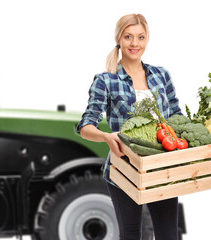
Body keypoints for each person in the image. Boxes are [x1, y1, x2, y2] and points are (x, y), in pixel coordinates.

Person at [77, 13, 182, 240]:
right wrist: (106, 137)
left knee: (168, 235)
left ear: (147, 40)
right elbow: (86, 125)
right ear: (119, 39)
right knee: (132, 234)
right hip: (124, 168)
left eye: (140, 37)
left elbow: (176, 115)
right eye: (128, 37)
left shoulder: (161, 75)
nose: (135, 44)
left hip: (161, 166)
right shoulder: (106, 80)